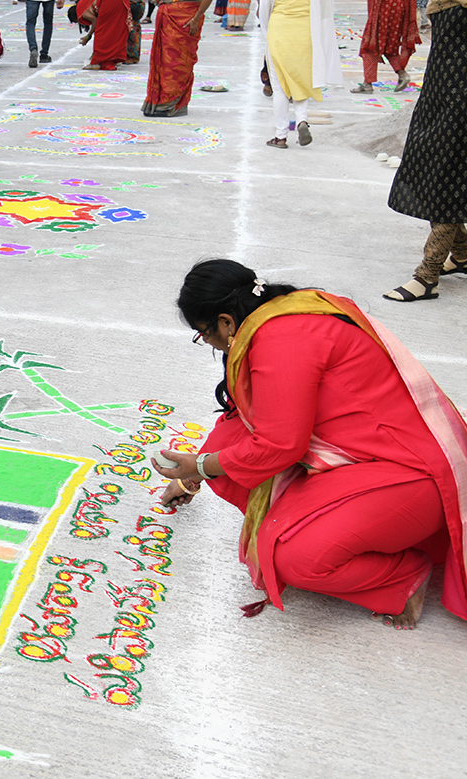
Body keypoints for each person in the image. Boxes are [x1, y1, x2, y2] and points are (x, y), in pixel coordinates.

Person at [156, 259, 467, 630]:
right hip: (370, 458)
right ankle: (344, 528)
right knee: (232, 455)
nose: (207, 342)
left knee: (294, 556)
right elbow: (243, 421)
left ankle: (402, 574)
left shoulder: (281, 341)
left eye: (203, 333)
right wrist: (195, 475)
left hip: (413, 474)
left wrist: (203, 467)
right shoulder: (284, 313)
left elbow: (278, 445)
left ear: (226, 321)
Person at [382, 0, 467, 302]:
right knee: (434, 170)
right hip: (438, 92)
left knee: (448, 178)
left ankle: (427, 274)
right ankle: (463, 252)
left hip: (464, 98)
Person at [259, 0, 341, 148]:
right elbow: (325, 14)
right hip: (307, 39)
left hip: (280, 38)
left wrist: (269, 35)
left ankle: (281, 135)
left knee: (279, 88)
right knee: (302, 82)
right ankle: (303, 120)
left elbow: (263, 13)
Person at [142, 0, 215, 116]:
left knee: (176, 64)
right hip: (169, 23)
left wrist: (196, 18)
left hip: (183, 25)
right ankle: (160, 102)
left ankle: (173, 104)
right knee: (164, 62)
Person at [68, 0, 131, 71]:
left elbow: (96, 22)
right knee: (117, 28)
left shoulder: (81, 10)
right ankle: (115, 58)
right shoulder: (84, 1)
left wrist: (88, 36)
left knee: (103, 31)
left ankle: (98, 62)